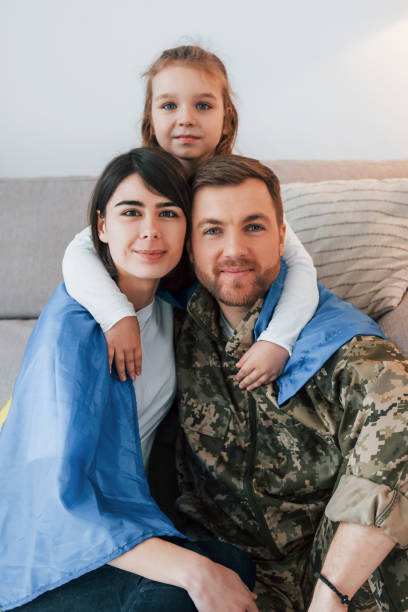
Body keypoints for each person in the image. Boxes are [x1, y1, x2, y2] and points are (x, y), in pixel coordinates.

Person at [0, 148, 258, 612]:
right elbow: (54, 497)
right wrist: (189, 568)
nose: (150, 231)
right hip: (49, 540)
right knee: (193, 585)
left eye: (168, 213)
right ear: (101, 227)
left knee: (232, 566)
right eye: (130, 213)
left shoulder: (176, 309)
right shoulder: (73, 333)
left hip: (127, 516)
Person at [173, 154, 408, 612]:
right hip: (232, 568)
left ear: (283, 237)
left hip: (342, 570)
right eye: (213, 230)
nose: (234, 250)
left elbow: (398, 404)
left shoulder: (339, 340)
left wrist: (331, 595)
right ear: (189, 246)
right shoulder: (178, 323)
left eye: (254, 227)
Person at [62, 45, 319, 389]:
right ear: (150, 118)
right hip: (173, 326)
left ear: (226, 116)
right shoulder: (140, 182)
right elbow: (81, 251)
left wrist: (278, 340)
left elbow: (301, 266)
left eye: (203, 105)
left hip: (243, 318)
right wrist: (117, 316)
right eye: (169, 105)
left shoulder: (239, 187)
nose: (186, 118)